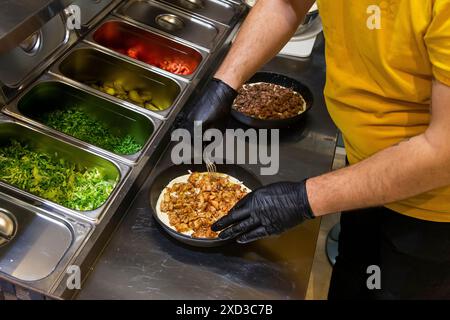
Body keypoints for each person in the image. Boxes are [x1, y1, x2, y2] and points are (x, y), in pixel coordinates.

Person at [186, 0, 450, 299]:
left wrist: (304, 199)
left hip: (433, 210)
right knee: (354, 282)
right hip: (367, 172)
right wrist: (226, 82)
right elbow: (286, 4)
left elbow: (443, 153)